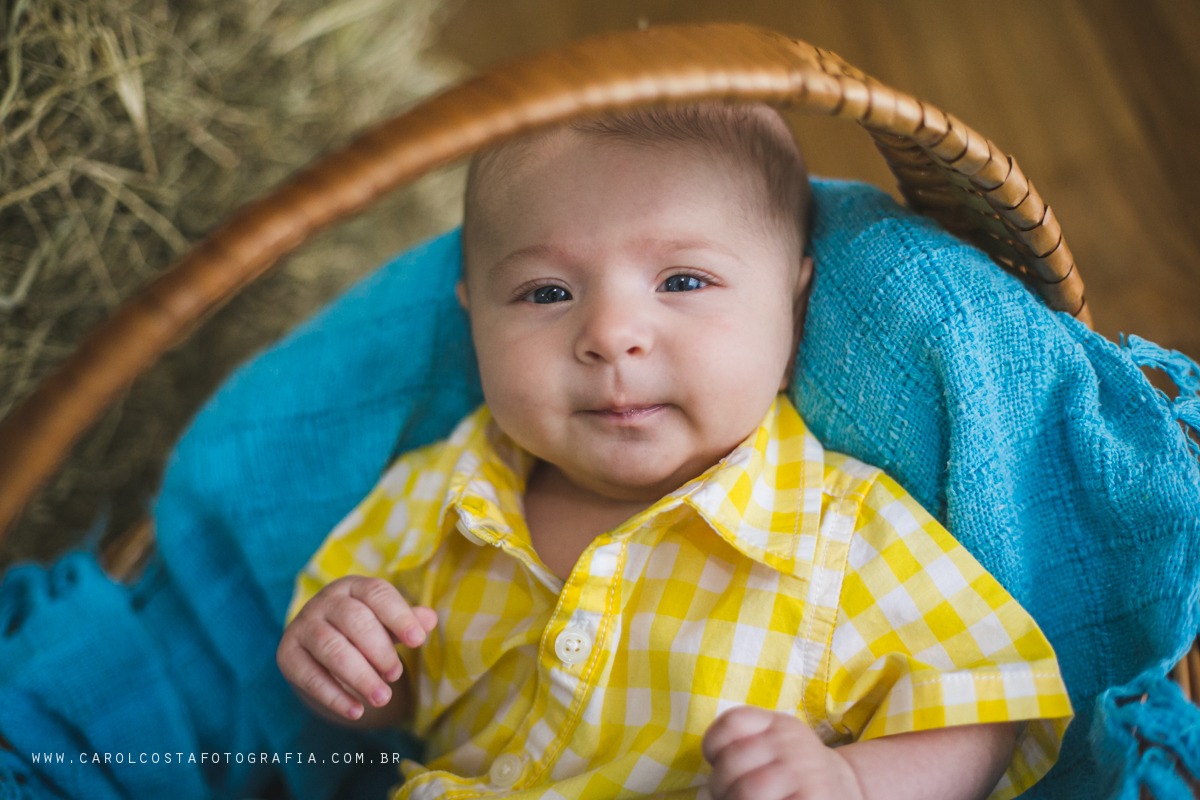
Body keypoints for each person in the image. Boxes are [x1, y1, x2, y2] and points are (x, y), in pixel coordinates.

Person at [277, 103, 1072, 800]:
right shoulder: (437, 495)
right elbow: (391, 695)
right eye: (546, 293)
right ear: (472, 317)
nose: (610, 335)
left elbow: (983, 702)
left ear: (793, 312)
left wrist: (853, 781)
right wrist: (342, 655)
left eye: (684, 281)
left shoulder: (837, 532)